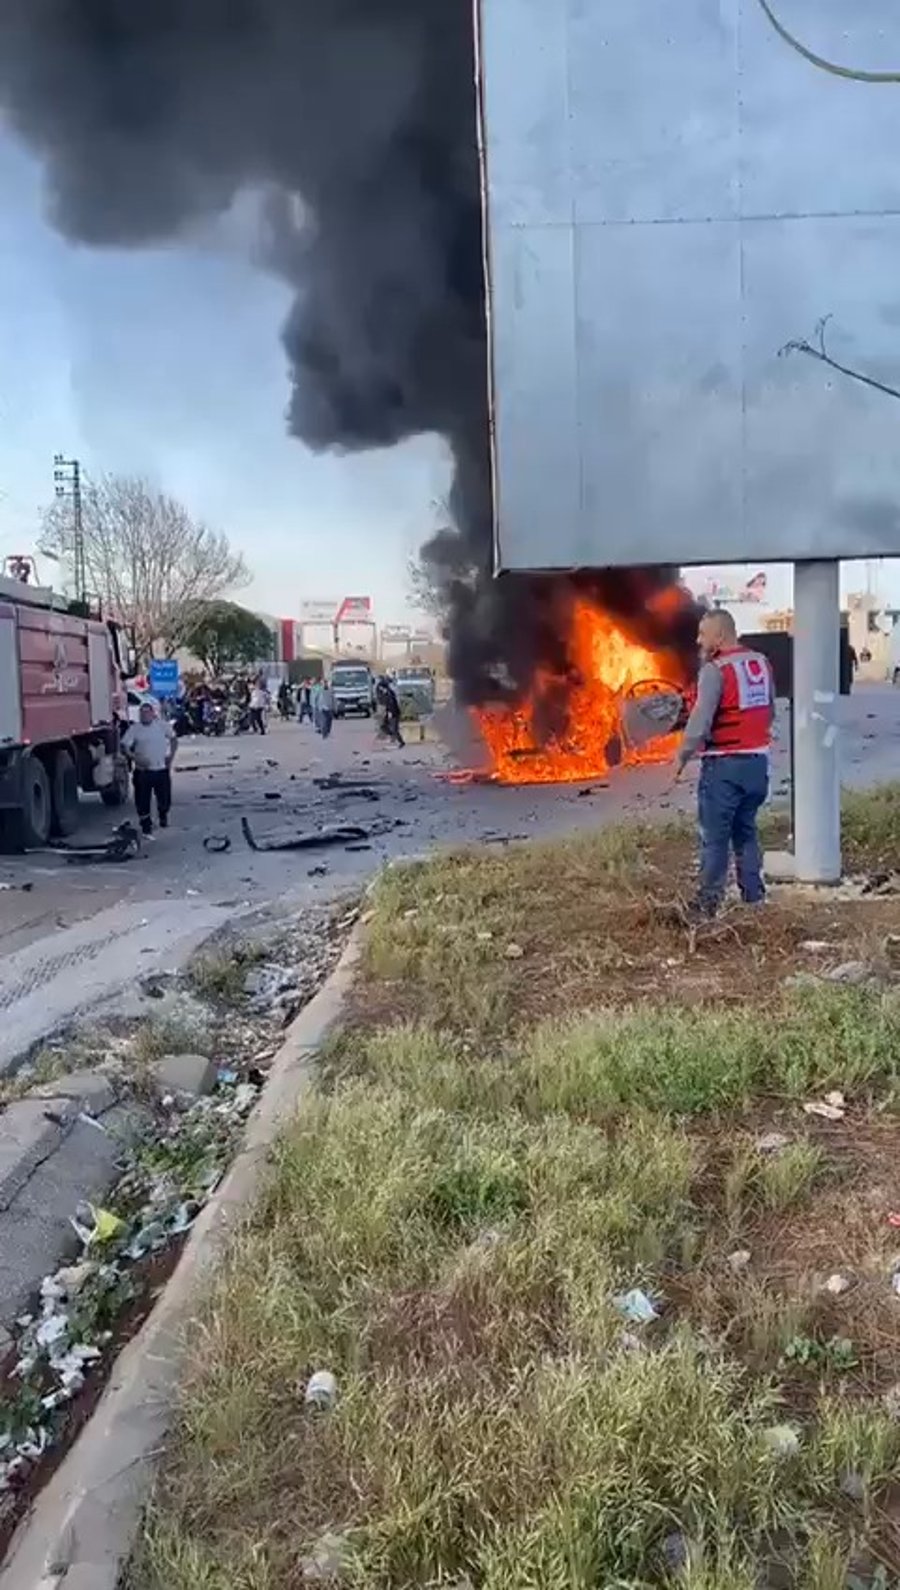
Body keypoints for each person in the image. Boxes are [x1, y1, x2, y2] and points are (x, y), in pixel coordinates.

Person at [673, 608, 774, 916]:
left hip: (724, 766)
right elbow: (768, 710)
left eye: (703, 633)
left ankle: (707, 906)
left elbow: (700, 722)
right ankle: (754, 898)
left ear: (719, 635)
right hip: (757, 763)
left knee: (714, 838)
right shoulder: (760, 662)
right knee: (746, 830)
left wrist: (681, 756)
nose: (698, 639)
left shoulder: (715, 670)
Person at [122, 701, 177, 836]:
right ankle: (146, 824)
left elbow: (174, 739)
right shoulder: (135, 729)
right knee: (142, 800)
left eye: (147, 712)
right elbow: (125, 746)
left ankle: (163, 814)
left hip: (161, 768)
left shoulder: (162, 726)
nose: (145, 715)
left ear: (153, 714)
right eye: (142, 713)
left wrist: (171, 756)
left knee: (164, 797)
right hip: (143, 771)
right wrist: (135, 758)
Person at [377, 676, 405, 748]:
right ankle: (394, 737)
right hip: (391, 712)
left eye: (381, 688)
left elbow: (391, 704)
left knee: (394, 729)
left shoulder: (389, 693)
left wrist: (390, 713)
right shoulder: (388, 693)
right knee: (384, 726)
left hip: (394, 713)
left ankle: (400, 741)